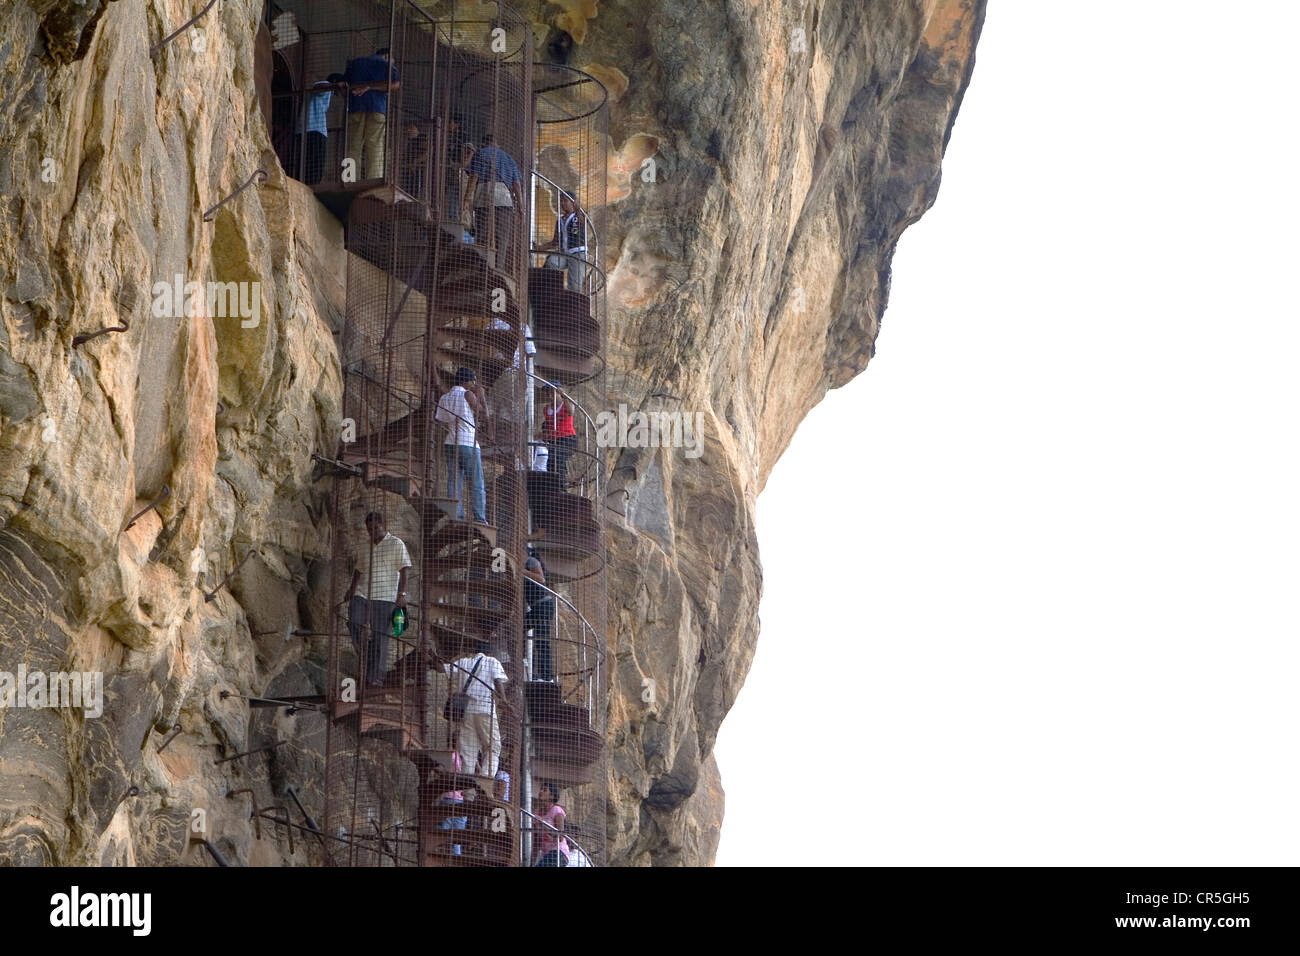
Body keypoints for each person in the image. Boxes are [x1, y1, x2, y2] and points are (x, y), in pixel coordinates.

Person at [344, 512, 412, 686]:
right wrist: (352, 588)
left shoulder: (396, 544)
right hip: (363, 593)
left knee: (381, 637)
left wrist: (402, 594)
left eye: (375, 528)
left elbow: (404, 569)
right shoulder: (364, 546)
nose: (372, 532)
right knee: (354, 621)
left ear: (383, 525)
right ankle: (366, 654)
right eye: (369, 529)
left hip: (386, 597)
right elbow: (359, 569)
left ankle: (375, 677)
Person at [443, 642, 509, 778]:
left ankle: (467, 792)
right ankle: (485, 780)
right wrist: (503, 700)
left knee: (468, 752)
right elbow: (497, 680)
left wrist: (432, 659)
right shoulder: (492, 661)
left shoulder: (464, 662)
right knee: (493, 747)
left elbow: (442, 668)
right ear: (490, 652)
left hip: (466, 712)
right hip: (485, 710)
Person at [461, 132, 524, 266]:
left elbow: (473, 178)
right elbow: (517, 185)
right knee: (502, 237)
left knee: (483, 233)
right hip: (505, 200)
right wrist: (520, 207)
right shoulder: (508, 158)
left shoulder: (481, 153)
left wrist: (466, 199)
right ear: (496, 143)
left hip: (485, 197)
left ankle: (484, 266)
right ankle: (498, 268)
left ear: (484, 143)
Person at [435, 368, 488, 524]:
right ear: (466, 381)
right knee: (477, 483)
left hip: (451, 441)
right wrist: (481, 397)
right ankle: (479, 518)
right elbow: (482, 414)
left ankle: (455, 516)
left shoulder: (445, 397)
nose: (474, 384)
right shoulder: (467, 394)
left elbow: (441, 418)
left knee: (454, 481)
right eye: (472, 380)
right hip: (468, 442)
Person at [343, 47, 400, 181]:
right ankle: (374, 180)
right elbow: (396, 84)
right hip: (377, 108)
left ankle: (350, 179)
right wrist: (372, 88)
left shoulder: (356, 63)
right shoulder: (385, 64)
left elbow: (344, 85)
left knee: (353, 146)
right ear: (387, 56)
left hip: (356, 107)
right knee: (375, 146)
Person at [301, 73, 342, 184]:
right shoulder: (326, 86)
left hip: (308, 128)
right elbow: (317, 87)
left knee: (308, 159)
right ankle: (312, 184)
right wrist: (335, 85)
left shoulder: (328, 92)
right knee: (316, 161)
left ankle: (308, 182)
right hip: (315, 128)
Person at [543, 191, 588, 292]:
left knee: (575, 285)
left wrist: (577, 207)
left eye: (565, 201)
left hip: (578, 254)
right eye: (561, 201)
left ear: (572, 202)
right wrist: (538, 248)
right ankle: (553, 288)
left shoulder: (579, 216)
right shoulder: (560, 220)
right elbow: (555, 242)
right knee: (551, 262)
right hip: (564, 254)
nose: (562, 203)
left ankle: (574, 302)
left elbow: (583, 219)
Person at [523, 553, 555, 681]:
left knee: (542, 641)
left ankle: (546, 677)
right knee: (520, 627)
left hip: (543, 605)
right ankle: (525, 661)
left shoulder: (530, 560)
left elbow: (541, 579)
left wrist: (522, 572)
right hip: (537, 608)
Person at [541, 382, 577, 488]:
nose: (550, 396)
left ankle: (561, 487)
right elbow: (549, 426)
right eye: (548, 394)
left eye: (552, 393)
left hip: (567, 438)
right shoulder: (546, 409)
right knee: (551, 462)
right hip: (554, 440)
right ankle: (554, 486)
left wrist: (564, 397)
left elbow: (571, 412)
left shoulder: (566, 404)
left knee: (558, 457)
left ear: (558, 393)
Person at [532, 781, 570, 867]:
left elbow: (560, 836)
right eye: (541, 789)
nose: (540, 792)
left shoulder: (556, 810)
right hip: (546, 854)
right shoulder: (537, 813)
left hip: (559, 853)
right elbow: (537, 841)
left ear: (552, 796)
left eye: (545, 790)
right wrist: (532, 862)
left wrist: (543, 824)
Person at [438, 749, 467, 855]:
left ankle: (437, 854)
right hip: (461, 800)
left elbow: (446, 771)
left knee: (441, 832)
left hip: (449, 797)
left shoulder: (452, 755)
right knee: (457, 839)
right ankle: (455, 858)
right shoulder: (466, 758)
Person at [400, 121, 431, 198]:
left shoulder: (421, 137)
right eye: (408, 129)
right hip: (409, 173)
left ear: (417, 129)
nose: (409, 131)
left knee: (416, 194)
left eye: (411, 128)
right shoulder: (410, 141)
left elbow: (429, 151)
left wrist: (415, 162)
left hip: (419, 173)